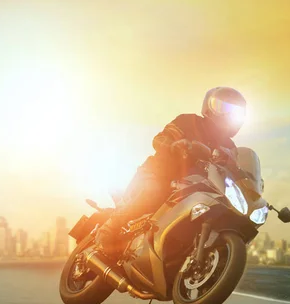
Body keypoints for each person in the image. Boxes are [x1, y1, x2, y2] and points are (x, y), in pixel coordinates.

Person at [95, 87, 247, 256]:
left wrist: (249, 182)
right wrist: (173, 145)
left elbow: (233, 172)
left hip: (195, 189)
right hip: (159, 174)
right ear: (209, 106)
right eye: (223, 107)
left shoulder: (230, 148)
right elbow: (160, 138)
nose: (228, 115)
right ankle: (110, 227)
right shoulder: (189, 121)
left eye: (234, 112)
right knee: (153, 192)